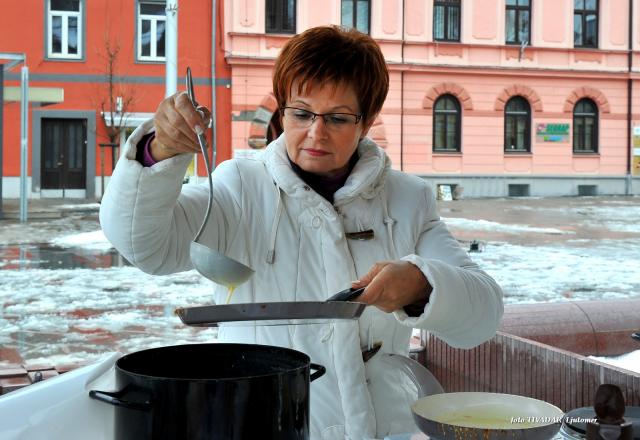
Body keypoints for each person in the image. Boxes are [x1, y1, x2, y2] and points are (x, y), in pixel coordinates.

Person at [100, 25, 503, 439]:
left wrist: (421, 286)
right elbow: (144, 246)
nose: (315, 132)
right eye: (302, 113)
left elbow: (483, 315)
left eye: (338, 118)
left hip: (387, 425)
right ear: (282, 111)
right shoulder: (240, 186)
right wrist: (159, 150)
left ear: (366, 122)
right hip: (263, 420)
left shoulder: (406, 199)